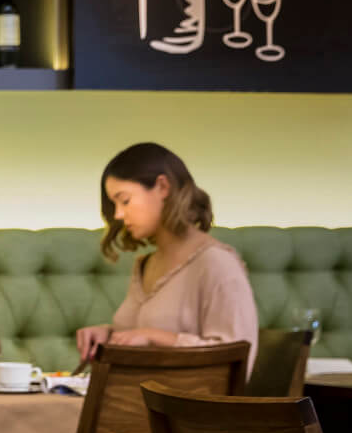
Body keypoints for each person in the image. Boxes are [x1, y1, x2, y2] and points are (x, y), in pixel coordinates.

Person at [76, 142, 258, 371]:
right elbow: (144, 334)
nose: (119, 214)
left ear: (163, 187)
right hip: (131, 399)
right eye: (114, 205)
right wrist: (110, 335)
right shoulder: (145, 264)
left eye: (125, 200)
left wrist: (155, 337)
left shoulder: (217, 263)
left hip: (185, 405)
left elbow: (237, 360)